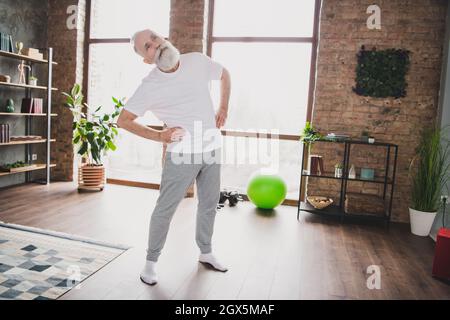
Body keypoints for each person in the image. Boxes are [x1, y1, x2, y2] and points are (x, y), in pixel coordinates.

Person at [117, 29, 231, 286]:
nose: (155, 45)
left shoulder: (197, 61)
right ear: (146, 60)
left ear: (165, 37)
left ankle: (206, 251)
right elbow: (123, 120)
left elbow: (225, 75)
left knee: (209, 203)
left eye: (154, 38)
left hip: (212, 146)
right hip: (181, 154)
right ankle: (150, 263)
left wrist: (223, 107)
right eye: (147, 46)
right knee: (166, 209)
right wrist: (160, 136)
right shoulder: (150, 85)